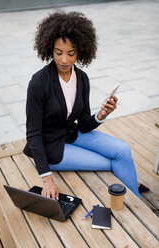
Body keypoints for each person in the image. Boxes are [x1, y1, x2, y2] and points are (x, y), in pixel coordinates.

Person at [23, 11, 143, 200]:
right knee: (113, 161)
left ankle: (133, 194)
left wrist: (101, 115)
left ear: (80, 52)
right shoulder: (39, 83)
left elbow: (85, 123)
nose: (64, 60)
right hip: (50, 147)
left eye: (71, 54)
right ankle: (137, 203)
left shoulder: (82, 78)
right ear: (49, 49)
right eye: (58, 52)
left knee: (123, 150)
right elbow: (33, 134)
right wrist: (46, 179)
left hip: (72, 134)